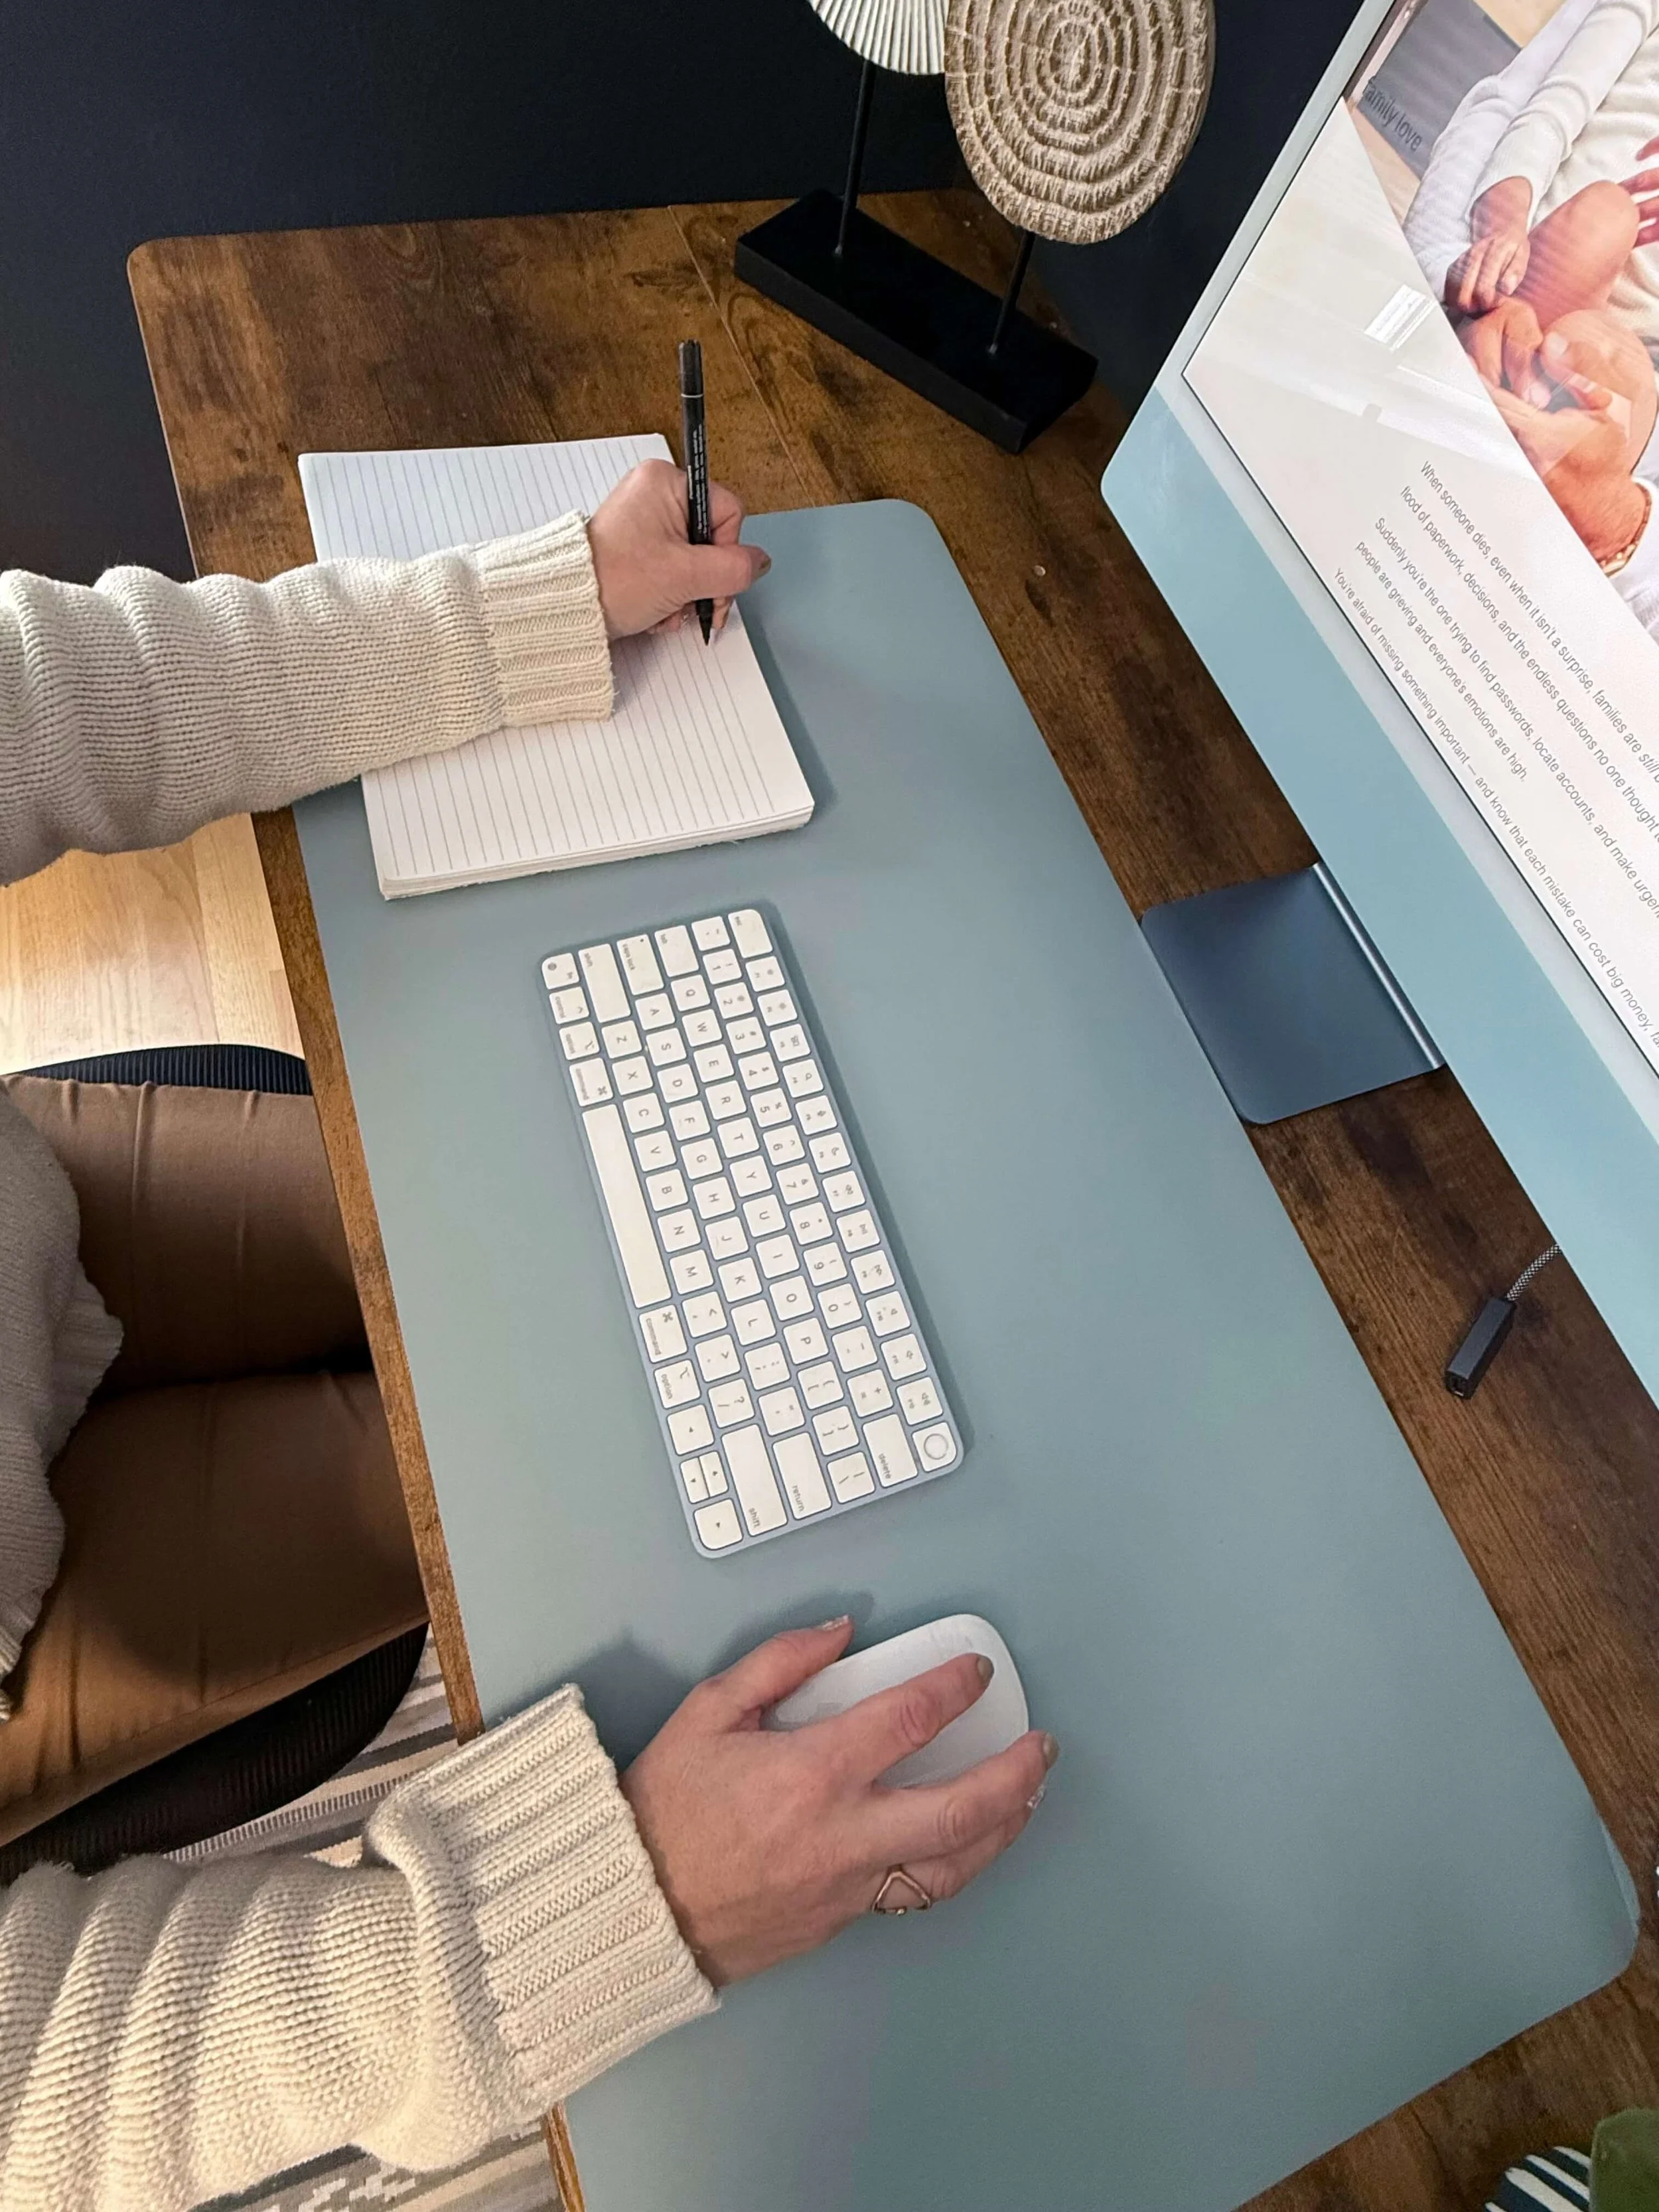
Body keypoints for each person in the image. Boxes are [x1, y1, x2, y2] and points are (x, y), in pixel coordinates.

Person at [0, 457, 1056, 2212]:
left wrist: (529, 604)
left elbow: (61, 694)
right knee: (561, 1490)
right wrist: (610, 1901)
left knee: (536, 1241)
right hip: (48, 1614)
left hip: (46, 1221)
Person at [1400, 0, 1659, 616]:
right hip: (1532, 261)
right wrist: (1499, 229)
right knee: (1602, 219)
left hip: (1620, 362)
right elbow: (1542, 102)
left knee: (1598, 354)